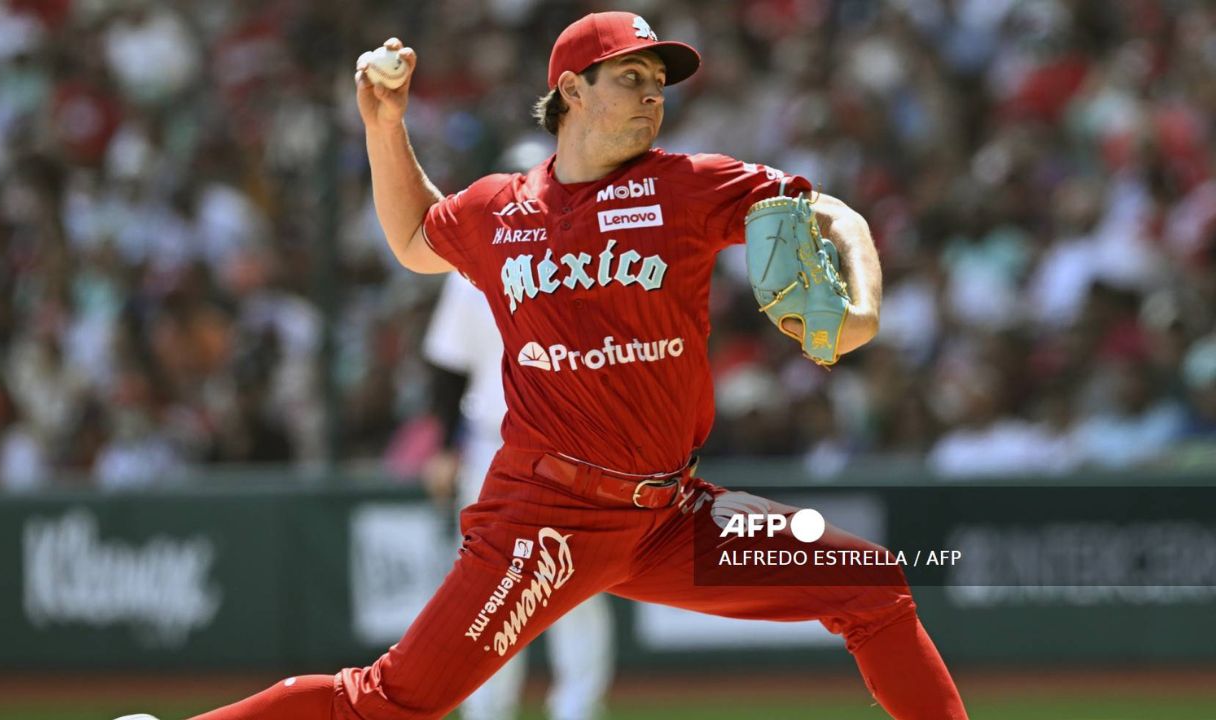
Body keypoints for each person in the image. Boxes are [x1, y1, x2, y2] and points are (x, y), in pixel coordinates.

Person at [122, 11, 968, 720]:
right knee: (388, 701)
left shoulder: (688, 188)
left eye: (657, 83)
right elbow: (416, 239)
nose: (651, 97)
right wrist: (385, 126)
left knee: (869, 586)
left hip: (667, 517)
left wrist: (856, 302)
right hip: (549, 516)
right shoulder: (501, 209)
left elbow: (828, 211)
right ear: (570, 91)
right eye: (629, 78)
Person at [422, 271, 614, 720]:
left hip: (575, 442)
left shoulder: (590, 257)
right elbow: (448, 367)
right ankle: (487, 708)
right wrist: (446, 446)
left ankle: (578, 708)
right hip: (494, 440)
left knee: (576, 577)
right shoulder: (470, 272)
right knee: (487, 581)